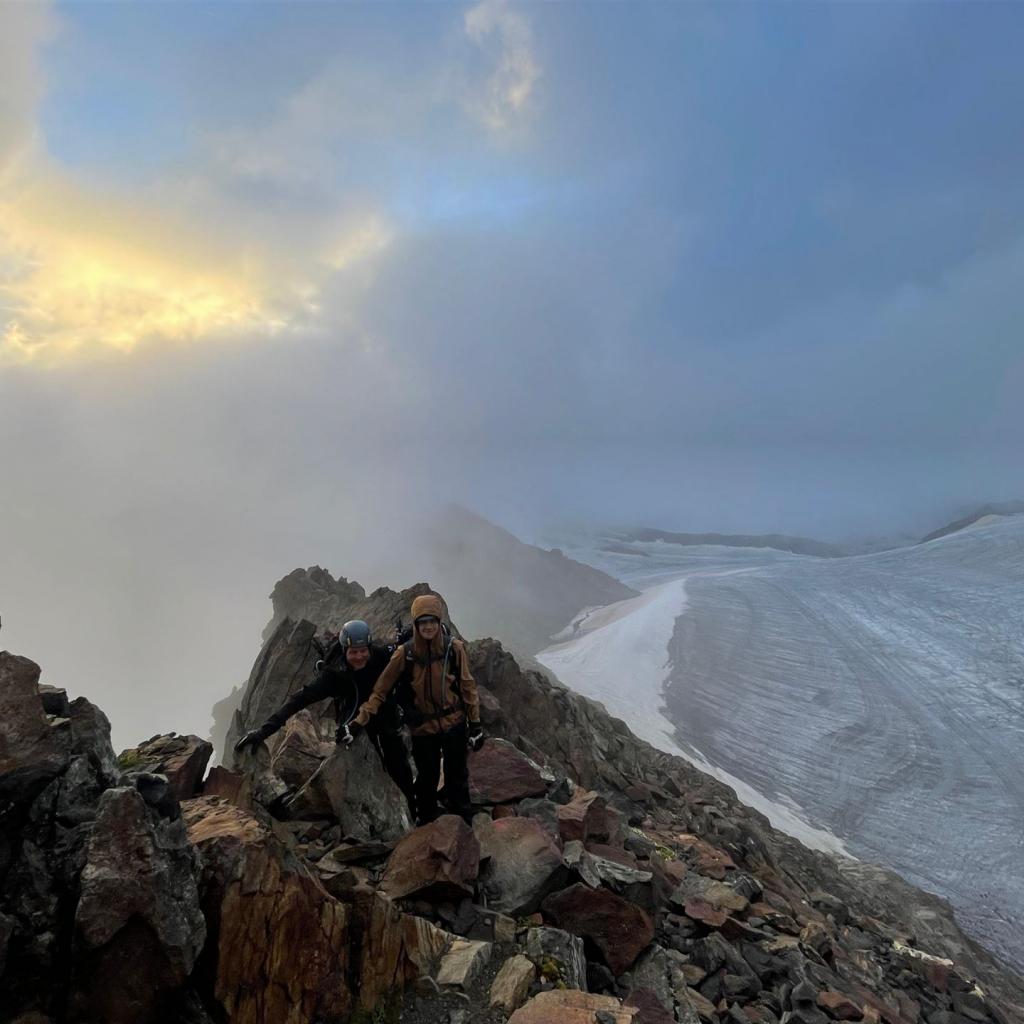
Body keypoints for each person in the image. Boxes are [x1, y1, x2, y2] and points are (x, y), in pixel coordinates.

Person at [234, 619, 417, 818]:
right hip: (353, 715)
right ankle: (365, 812)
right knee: (357, 756)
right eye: (353, 652)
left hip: (383, 711)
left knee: (396, 757)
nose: (359, 656)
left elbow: (404, 652)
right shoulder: (334, 675)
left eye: (363, 650)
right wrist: (265, 730)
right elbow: (299, 699)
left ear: (369, 647)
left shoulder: (379, 655)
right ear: (345, 650)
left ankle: (411, 808)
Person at [348, 593, 484, 825]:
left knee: (457, 777)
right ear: (416, 624)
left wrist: (475, 724)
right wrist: (357, 722)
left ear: (439, 622)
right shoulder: (405, 653)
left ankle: (464, 826)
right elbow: (380, 691)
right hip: (423, 728)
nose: (428, 626)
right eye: (423, 622)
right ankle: (427, 825)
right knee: (427, 778)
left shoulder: (454, 649)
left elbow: (468, 687)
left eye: (432, 621)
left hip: (454, 723)